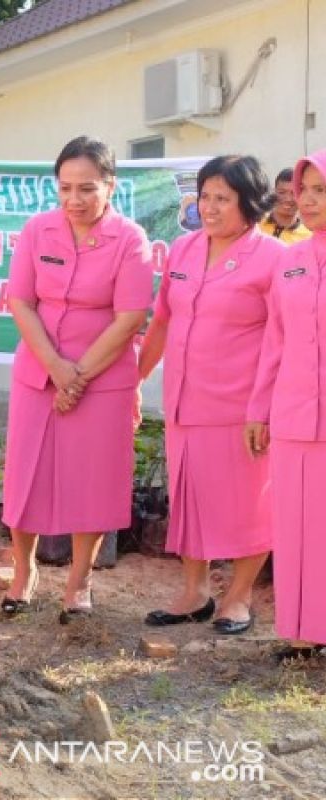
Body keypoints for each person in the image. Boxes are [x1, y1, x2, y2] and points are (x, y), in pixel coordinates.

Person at [2, 136, 153, 623]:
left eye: (86, 188)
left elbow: (130, 317)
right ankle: (23, 571)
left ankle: (79, 580)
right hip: (38, 374)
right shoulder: (36, 230)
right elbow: (21, 302)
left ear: (110, 185)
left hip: (103, 381)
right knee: (25, 476)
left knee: (91, 483)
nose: (74, 200)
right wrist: (56, 369)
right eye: (64, 188)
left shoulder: (130, 240)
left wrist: (78, 377)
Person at [139, 155, 279, 635]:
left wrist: (266, 409)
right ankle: (195, 593)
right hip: (183, 403)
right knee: (190, 501)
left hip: (242, 408)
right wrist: (136, 379)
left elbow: (283, 338)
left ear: (251, 203)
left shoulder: (272, 258)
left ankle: (238, 598)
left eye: (224, 198)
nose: (211, 208)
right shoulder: (182, 250)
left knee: (249, 506)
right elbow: (161, 321)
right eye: (205, 197)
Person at [246, 149, 326, 663]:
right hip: (294, 415)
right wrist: (258, 410)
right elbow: (274, 340)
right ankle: (301, 631)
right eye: (305, 190)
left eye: (320, 191)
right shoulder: (291, 260)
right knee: (297, 527)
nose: (308, 200)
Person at [258, 168, 312, 245]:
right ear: (273, 192)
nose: (288, 199)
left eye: (293, 193)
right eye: (282, 192)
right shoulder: (255, 224)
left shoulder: (307, 239)